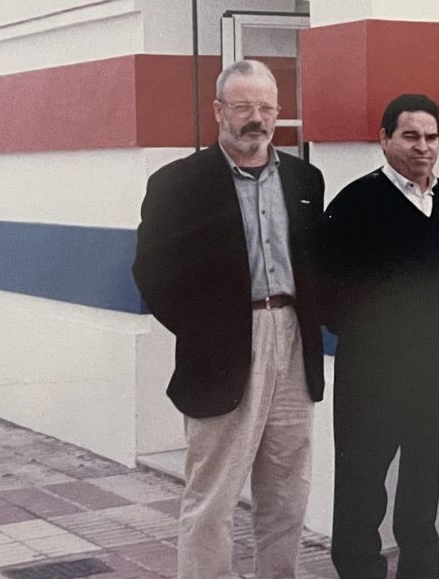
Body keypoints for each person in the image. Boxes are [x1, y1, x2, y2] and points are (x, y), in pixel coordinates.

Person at [132, 59, 326, 579]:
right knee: (213, 495)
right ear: (218, 110)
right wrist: (204, 331)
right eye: (242, 107)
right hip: (221, 348)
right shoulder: (177, 183)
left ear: (278, 112)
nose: (255, 119)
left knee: (287, 490)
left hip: (292, 341)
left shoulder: (305, 179)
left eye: (266, 108)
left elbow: (316, 262)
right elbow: (151, 272)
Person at [325, 94, 439, 579]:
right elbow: (328, 288)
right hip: (375, 370)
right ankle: (359, 565)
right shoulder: (355, 203)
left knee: (424, 468)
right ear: (385, 139)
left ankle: (421, 557)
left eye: (431, 137)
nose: (423, 147)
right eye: (410, 136)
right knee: (363, 474)